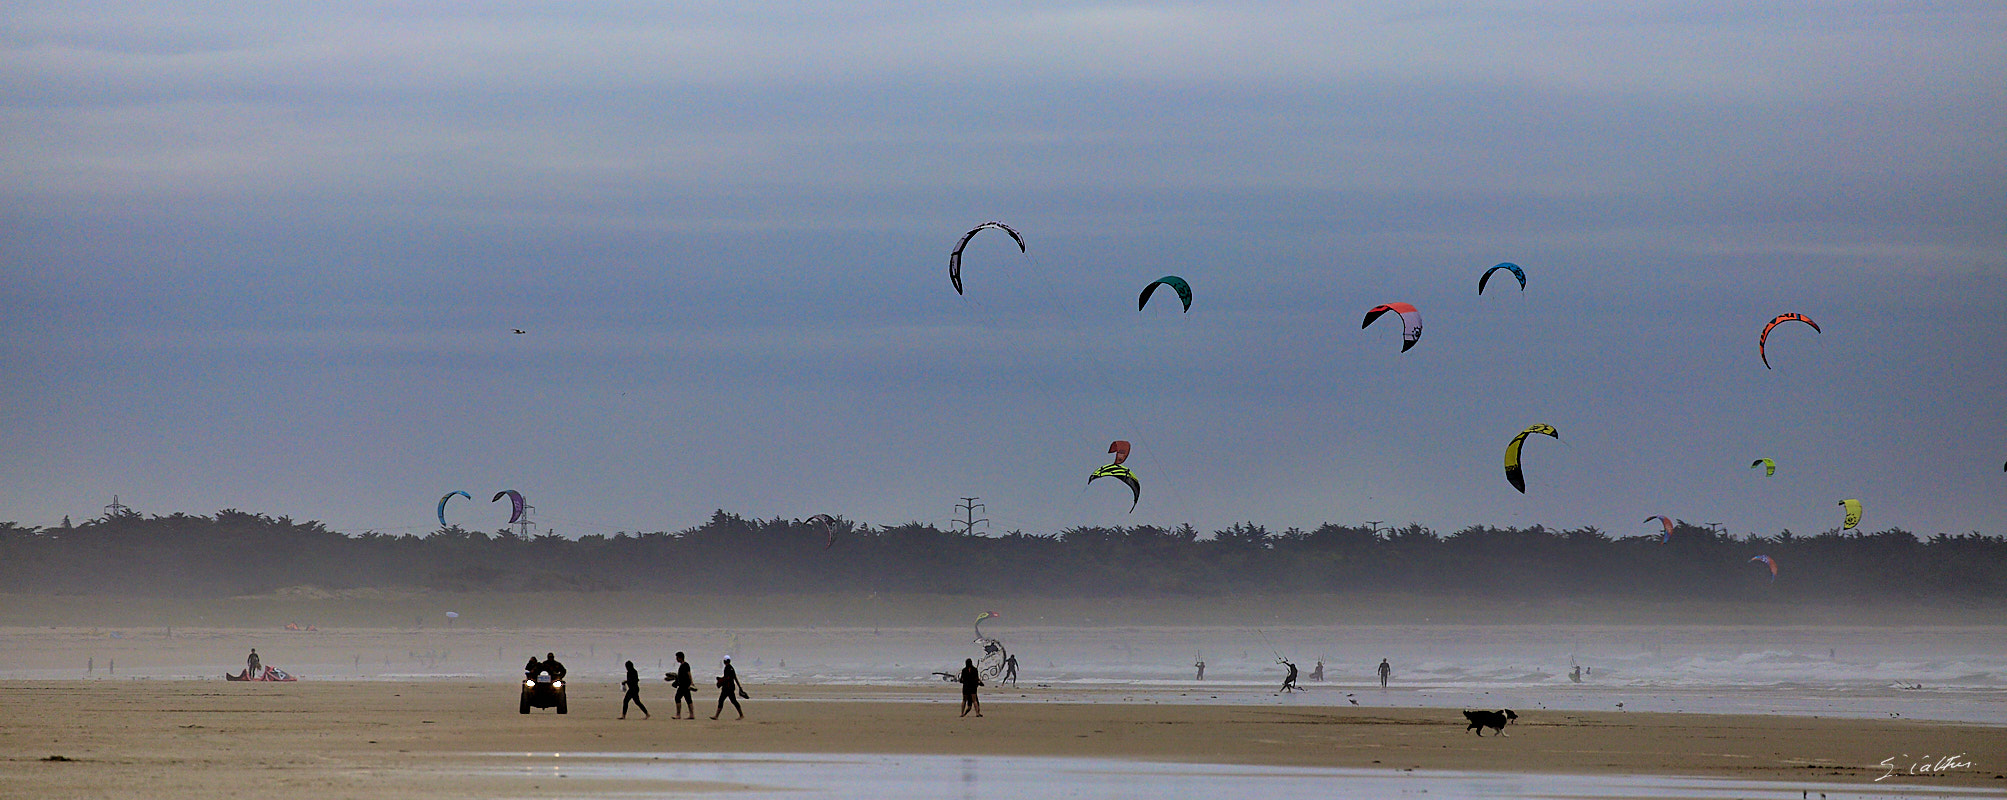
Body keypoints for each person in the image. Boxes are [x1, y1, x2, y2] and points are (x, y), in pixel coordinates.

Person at [665, 651, 697, 719]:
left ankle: (678, 715)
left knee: (677, 698)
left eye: (677, 657)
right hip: (684, 685)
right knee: (688, 699)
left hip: (684, 685)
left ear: (680, 658)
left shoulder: (685, 665)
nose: (676, 659)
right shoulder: (683, 665)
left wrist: (691, 682)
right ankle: (691, 715)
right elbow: (681, 676)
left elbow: (689, 674)